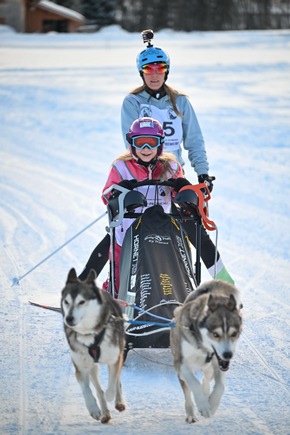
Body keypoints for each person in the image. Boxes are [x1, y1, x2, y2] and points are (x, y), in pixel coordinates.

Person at [79, 30, 234, 285]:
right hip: (141, 176)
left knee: (191, 229)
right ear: (141, 72)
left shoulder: (180, 102)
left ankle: (224, 282)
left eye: (159, 68)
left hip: (174, 177)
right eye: (148, 69)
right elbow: (135, 143)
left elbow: (194, 140)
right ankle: (89, 282)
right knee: (122, 233)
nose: (154, 74)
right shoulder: (132, 102)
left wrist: (202, 174)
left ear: (167, 71)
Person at [101, 117, 184, 293]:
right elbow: (106, 196)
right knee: (121, 270)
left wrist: (183, 189)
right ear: (132, 144)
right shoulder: (121, 167)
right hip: (127, 232)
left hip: (160, 231)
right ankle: (113, 295)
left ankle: (169, 299)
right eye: (140, 143)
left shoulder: (171, 166)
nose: (146, 149)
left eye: (151, 143)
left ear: (160, 144)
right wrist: (120, 192)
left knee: (164, 270)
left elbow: (180, 196)